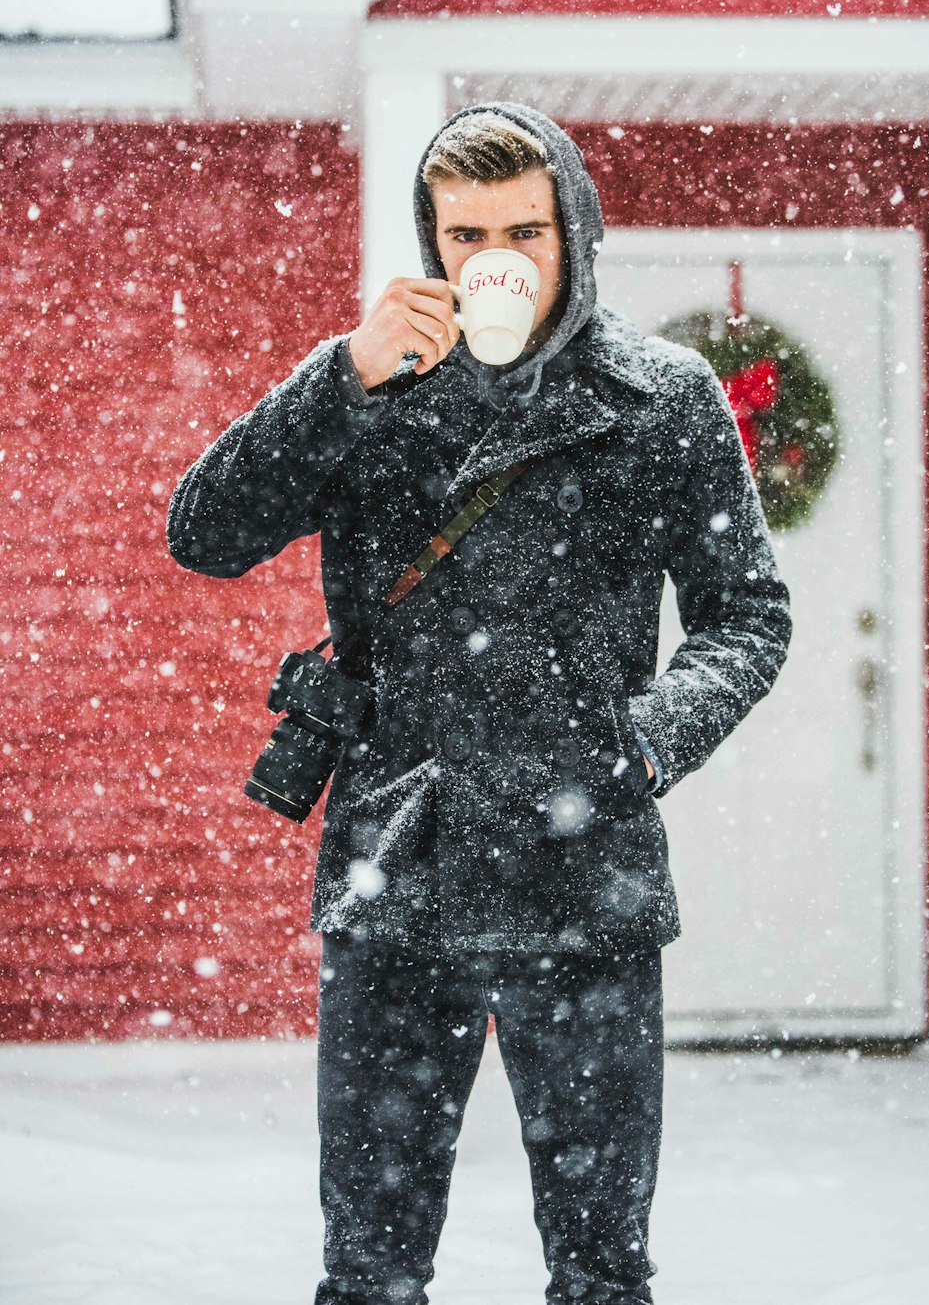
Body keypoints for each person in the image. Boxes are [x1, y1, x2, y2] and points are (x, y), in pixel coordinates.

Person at [166, 102, 792, 1305]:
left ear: (573, 231)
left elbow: (746, 616)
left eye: (522, 230)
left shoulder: (661, 398)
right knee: (369, 1270)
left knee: (603, 1272)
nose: (491, 258)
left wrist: (646, 745)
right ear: (433, 241)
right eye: (463, 234)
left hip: (586, 874)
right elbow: (205, 532)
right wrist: (339, 378)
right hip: (397, 868)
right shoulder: (372, 387)